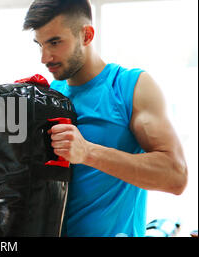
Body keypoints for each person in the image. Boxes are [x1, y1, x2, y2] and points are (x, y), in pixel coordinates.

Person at [22, 0, 188, 237]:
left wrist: (88, 153)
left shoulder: (130, 87)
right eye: (39, 45)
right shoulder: (50, 95)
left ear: (86, 35)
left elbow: (176, 176)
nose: (44, 57)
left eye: (55, 42)